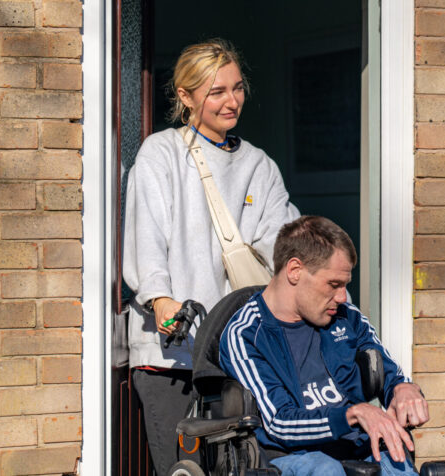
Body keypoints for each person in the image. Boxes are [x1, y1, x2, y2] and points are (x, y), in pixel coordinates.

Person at [122, 39, 299, 475]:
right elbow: (147, 236)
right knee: (185, 469)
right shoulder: (162, 153)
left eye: (237, 88)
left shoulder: (260, 166)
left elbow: (286, 248)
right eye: (217, 91)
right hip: (173, 357)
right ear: (186, 96)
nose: (232, 101)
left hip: (237, 356)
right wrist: (160, 298)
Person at [219, 216, 429, 476]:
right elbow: (279, 423)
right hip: (289, 456)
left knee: (398, 462)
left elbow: (388, 372)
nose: (342, 297)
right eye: (333, 284)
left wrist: (403, 389)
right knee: (325, 469)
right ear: (295, 270)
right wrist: (352, 415)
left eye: (345, 285)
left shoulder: (347, 318)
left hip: (359, 448)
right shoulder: (247, 334)